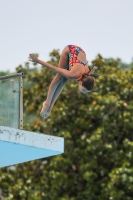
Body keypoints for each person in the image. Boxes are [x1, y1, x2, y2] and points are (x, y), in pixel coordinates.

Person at [29, 45, 99, 118]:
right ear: (81, 83)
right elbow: (53, 68)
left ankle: (51, 106)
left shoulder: (87, 76)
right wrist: (37, 60)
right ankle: (47, 103)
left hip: (80, 53)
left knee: (64, 80)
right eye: (84, 90)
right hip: (70, 49)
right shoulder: (74, 74)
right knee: (59, 77)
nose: (84, 92)